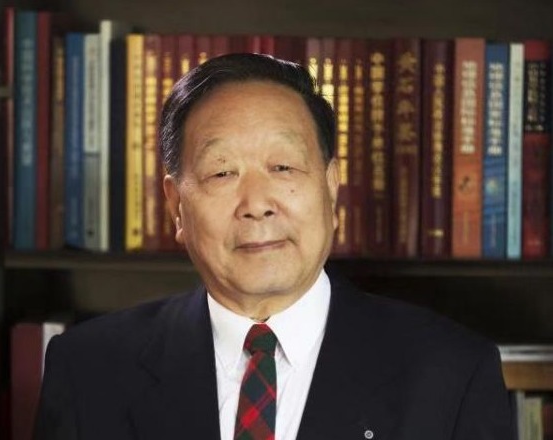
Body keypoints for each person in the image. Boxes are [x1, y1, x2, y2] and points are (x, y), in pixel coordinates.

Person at [34, 53, 513, 440]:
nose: (257, 205)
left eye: (283, 167)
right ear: (176, 206)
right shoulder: (87, 369)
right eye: (222, 172)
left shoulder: (452, 374)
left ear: (331, 188)